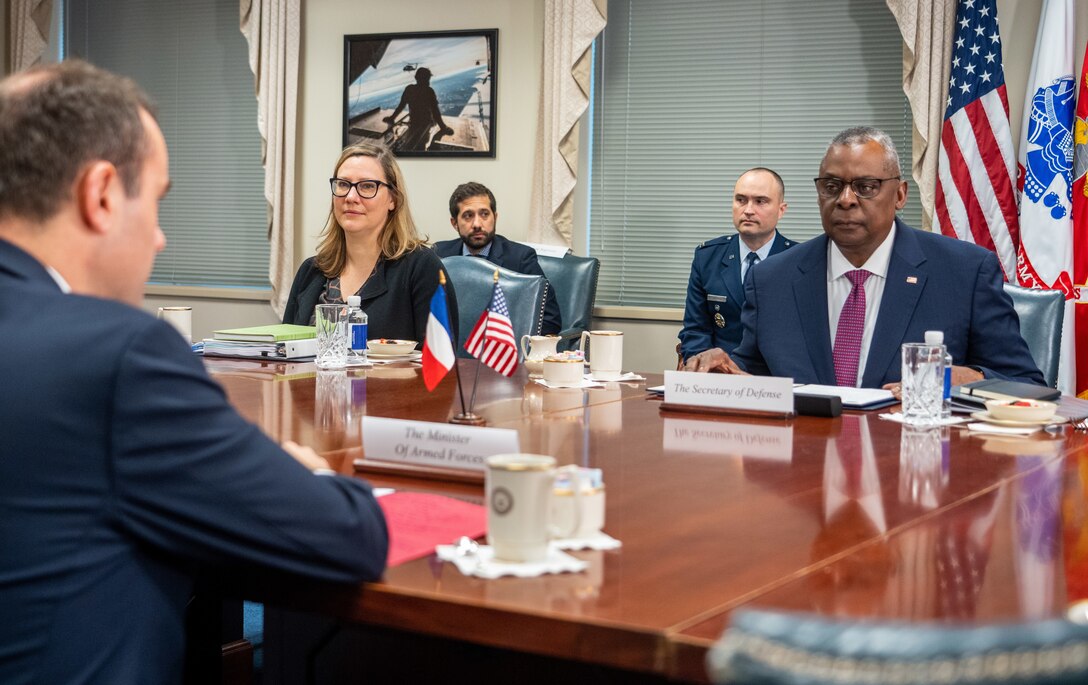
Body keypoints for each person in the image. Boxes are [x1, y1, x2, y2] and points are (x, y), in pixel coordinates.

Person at [0, 61, 388, 684]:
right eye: (154, 203)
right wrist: (316, 478)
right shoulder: (118, 355)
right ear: (100, 195)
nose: (158, 238)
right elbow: (347, 536)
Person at [684, 126, 1044, 390]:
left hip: (916, 474)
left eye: (866, 187)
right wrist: (725, 369)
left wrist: (968, 380)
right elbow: (757, 372)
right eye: (831, 186)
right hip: (800, 476)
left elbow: (1025, 384)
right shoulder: (772, 280)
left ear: (900, 194)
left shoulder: (964, 272)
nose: (845, 199)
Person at [283, 142, 453, 343]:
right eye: (343, 184)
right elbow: (284, 355)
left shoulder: (421, 267)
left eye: (367, 186)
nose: (351, 197)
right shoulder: (311, 271)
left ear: (393, 200)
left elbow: (440, 363)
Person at [678, 168, 796, 362]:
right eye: (741, 200)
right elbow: (695, 330)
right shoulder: (707, 258)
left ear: (781, 210)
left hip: (776, 377)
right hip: (720, 375)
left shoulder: (796, 261)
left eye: (760, 201)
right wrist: (706, 368)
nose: (748, 210)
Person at [433, 181, 562, 335]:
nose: (477, 224)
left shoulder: (520, 258)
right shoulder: (440, 255)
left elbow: (550, 319)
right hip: (449, 349)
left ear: (495, 217)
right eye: (468, 216)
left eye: (484, 214)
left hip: (502, 350)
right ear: (454, 223)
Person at [383, 67, 454, 152]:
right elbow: (435, 112)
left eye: (428, 79)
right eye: (426, 79)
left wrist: (392, 118)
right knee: (420, 146)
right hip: (425, 122)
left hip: (415, 122)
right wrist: (443, 127)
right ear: (418, 78)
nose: (428, 81)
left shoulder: (409, 89)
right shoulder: (429, 91)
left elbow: (401, 105)